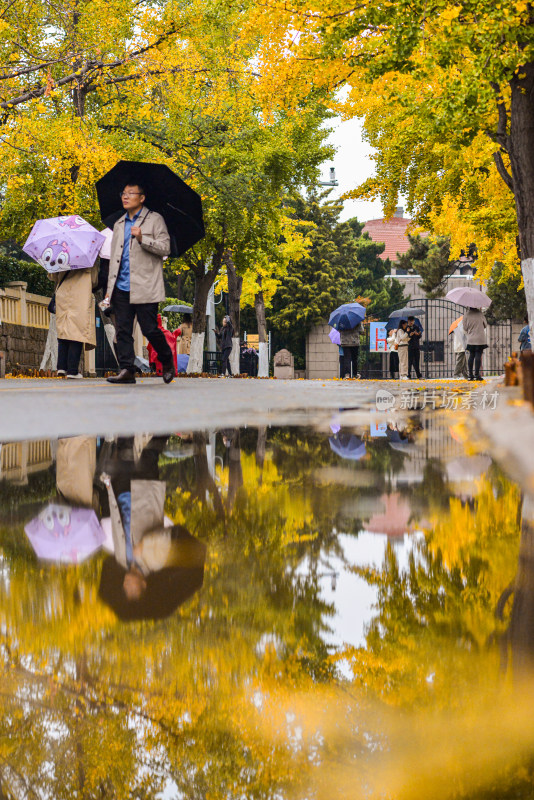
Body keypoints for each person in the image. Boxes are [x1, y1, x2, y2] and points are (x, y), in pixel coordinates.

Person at [104, 182, 175, 385]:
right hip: (121, 287)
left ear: (142, 198)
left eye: (130, 194)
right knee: (123, 330)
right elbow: (114, 260)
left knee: (149, 329)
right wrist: (109, 291)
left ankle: (167, 359)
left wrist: (144, 239)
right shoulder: (118, 224)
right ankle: (127, 369)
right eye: (123, 193)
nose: (125, 197)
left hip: (145, 286)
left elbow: (166, 248)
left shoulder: (154, 220)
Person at [50, 263, 98, 378]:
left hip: (63, 296)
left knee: (63, 331)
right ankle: (72, 371)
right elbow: (94, 281)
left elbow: (53, 277)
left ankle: (61, 367)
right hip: (80, 298)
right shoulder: (89, 259)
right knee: (77, 333)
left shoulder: (63, 254)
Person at [463, 306, 487, 380]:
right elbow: (485, 325)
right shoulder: (480, 313)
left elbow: (465, 328)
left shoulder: (466, 314)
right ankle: (477, 375)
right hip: (480, 338)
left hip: (471, 338)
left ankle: (470, 375)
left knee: (471, 355)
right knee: (478, 355)